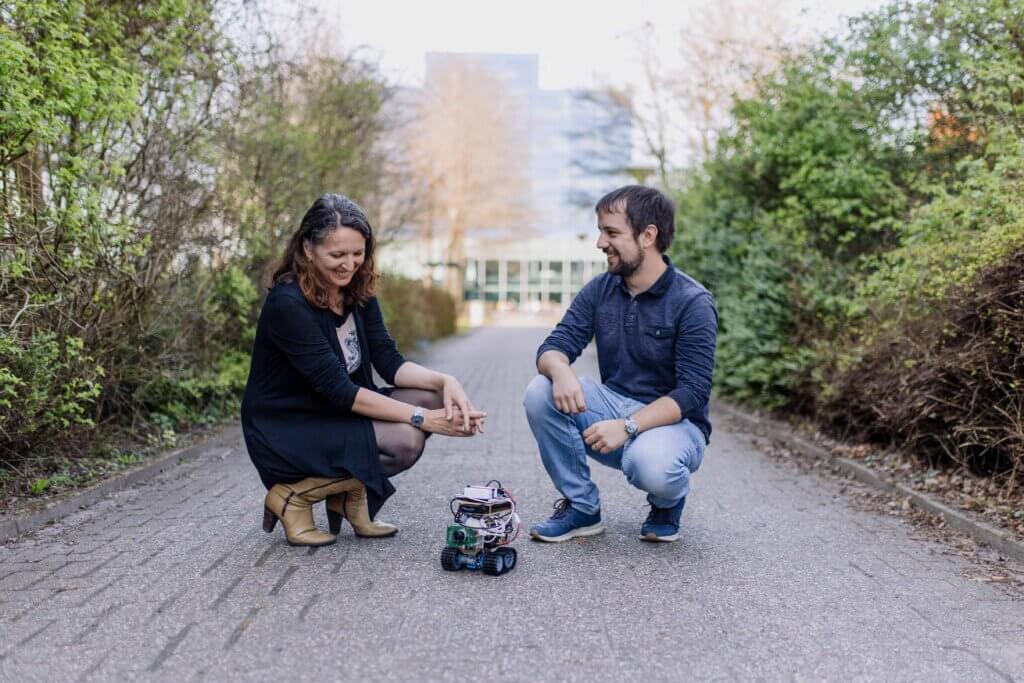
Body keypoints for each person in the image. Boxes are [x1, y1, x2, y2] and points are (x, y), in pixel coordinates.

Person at [242, 194, 486, 547]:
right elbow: (341, 391)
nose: (349, 264)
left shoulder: (357, 291)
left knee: (433, 396)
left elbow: (389, 362)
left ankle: (348, 498)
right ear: (308, 249)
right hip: (290, 425)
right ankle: (293, 497)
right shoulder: (288, 304)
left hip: (336, 412)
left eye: (358, 253)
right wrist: (423, 419)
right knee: (404, 441)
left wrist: (447, 381)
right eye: (337, 255)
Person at [523, 185, 717, 543]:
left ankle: (667, 501)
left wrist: (628, 426)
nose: (601, 243)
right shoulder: (600, 290)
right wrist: (561, 370)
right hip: (612, 409)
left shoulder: (693, 302)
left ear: (648, 236)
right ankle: (582, 507)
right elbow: (554, 347)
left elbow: (692, 392)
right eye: (600, 231)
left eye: (612, 233)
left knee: (652, 464)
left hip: (675, 426)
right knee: (540, 390)